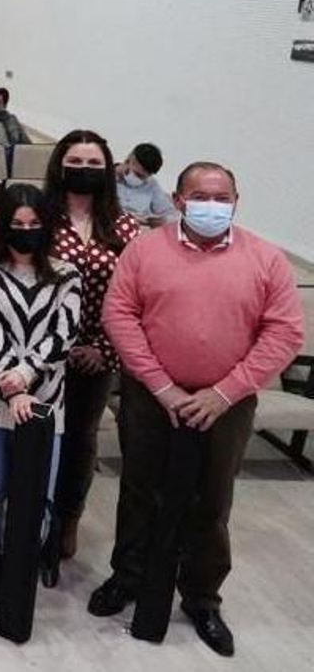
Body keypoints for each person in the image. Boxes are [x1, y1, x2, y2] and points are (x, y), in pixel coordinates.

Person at [90, 162, 303, 657]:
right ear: (180, 200)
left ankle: (202, 597)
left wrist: (224, 392)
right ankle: (130, 576)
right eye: (200, 195)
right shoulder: (145, 250)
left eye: (222, 195)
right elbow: (119, 314)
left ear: (235, 199)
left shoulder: (265, 258)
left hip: (226, 400)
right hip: (151, 394)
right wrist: (162, 386)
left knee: (211, 499)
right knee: (141, 488)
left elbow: (285, 332)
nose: (212, 204)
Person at [0, 183, 83, 621]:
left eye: (33, 224)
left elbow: (63, 333)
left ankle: (22, 558)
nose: (25, 231)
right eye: (16, 224)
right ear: (3, 225)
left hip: (45, 400)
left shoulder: (67, 274)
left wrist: (27, 378)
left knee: (37, 493)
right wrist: (12, 385)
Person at [41, 130, 144, 585]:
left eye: (93, 161)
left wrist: (101, 349)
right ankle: (30, 516)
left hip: (97, 355)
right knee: (40, 438)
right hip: (40, 353)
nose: (84, 168)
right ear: (60, 165)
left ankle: (67, 519)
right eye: (75, 159)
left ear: (107, 169)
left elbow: (136, 298)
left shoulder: (125, 228)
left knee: (81, 441)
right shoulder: (39, 217)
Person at [115, 143, 179, 226]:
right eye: (137, 174)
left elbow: (170, 213)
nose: (139, 180)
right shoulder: (107, 178)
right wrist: (126, 217)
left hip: (142, 230)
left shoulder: (151, 184)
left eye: (143, 177)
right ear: (129, 159)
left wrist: (162, 221)